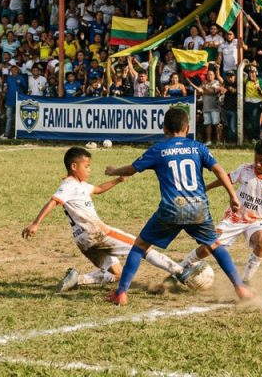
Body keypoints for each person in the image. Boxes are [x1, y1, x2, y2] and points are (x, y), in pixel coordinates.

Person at [103, 107, 252, 305]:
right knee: (215, 245)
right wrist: (233, 195)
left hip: (171, 208)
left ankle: (121, 293)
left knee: (139, 246)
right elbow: (219, 170)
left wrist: (113, 171)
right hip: (198, 207)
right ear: (187, 128)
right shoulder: (198, 147)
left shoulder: (158, 149)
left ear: (164, 129)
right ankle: (240, 287)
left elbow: (131, 170)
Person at [22, 146, 197, 292]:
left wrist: (118, 180)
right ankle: (180, 271)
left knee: (117, 273)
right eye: (87, 166)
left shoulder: (79, 185)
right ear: (74, 166)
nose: (89, 170)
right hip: (97, 233)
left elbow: (97, 189)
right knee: (141, 246)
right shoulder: (68, 185)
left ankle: (78, 279)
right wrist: (35, 224)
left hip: (83, 241)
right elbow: (54, 201)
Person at [178, 138, 262, 284]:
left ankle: (245, 280)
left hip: (257, 221)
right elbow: (226, 179)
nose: (257, 164)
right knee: (209, 247)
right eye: (256, 159)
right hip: (234, 218)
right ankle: (181, 267)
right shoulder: (245, 170)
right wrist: (206, 188)